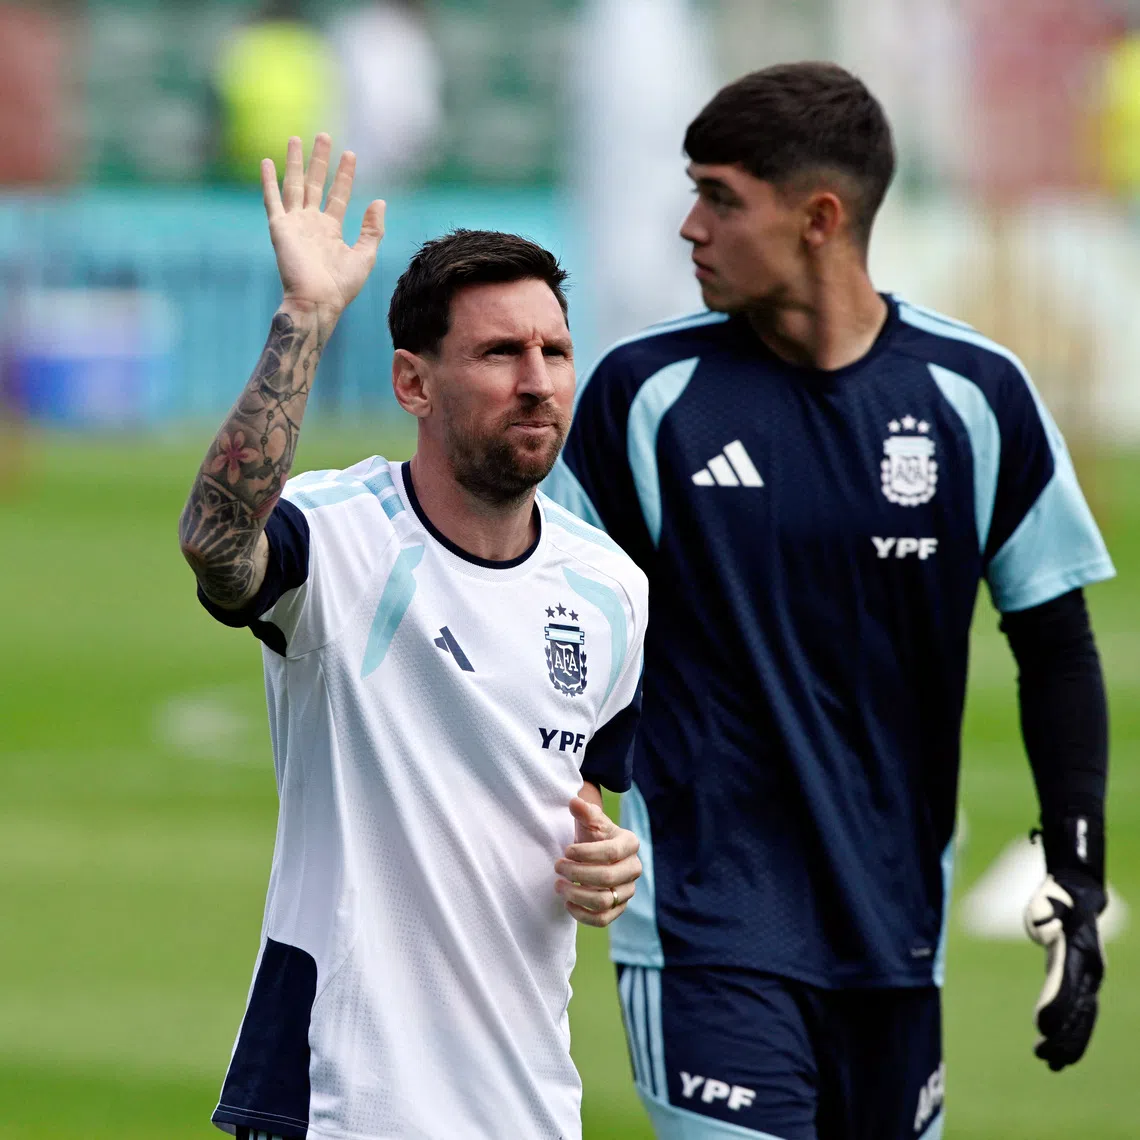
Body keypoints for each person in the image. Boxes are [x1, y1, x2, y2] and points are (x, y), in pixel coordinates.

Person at [542, 63, 1113, 1140]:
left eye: (719, 197)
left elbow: (1058, 647)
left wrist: (1078, 876)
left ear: (818, 217)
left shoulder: (974, 396)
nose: (688, 226)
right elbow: (542, 625)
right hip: (709, 925)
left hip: (897, 931)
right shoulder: (644, 396)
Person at [178, 134, 647, 1140]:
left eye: (553, 351)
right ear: (412, 382)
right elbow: (218, 542)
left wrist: (608, 856)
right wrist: (304, 316)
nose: (537, 381)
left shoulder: (611, 590)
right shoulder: (339, 541)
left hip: (526, 1106)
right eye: (498, 353)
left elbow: (577, 792)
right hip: (341, 1100)